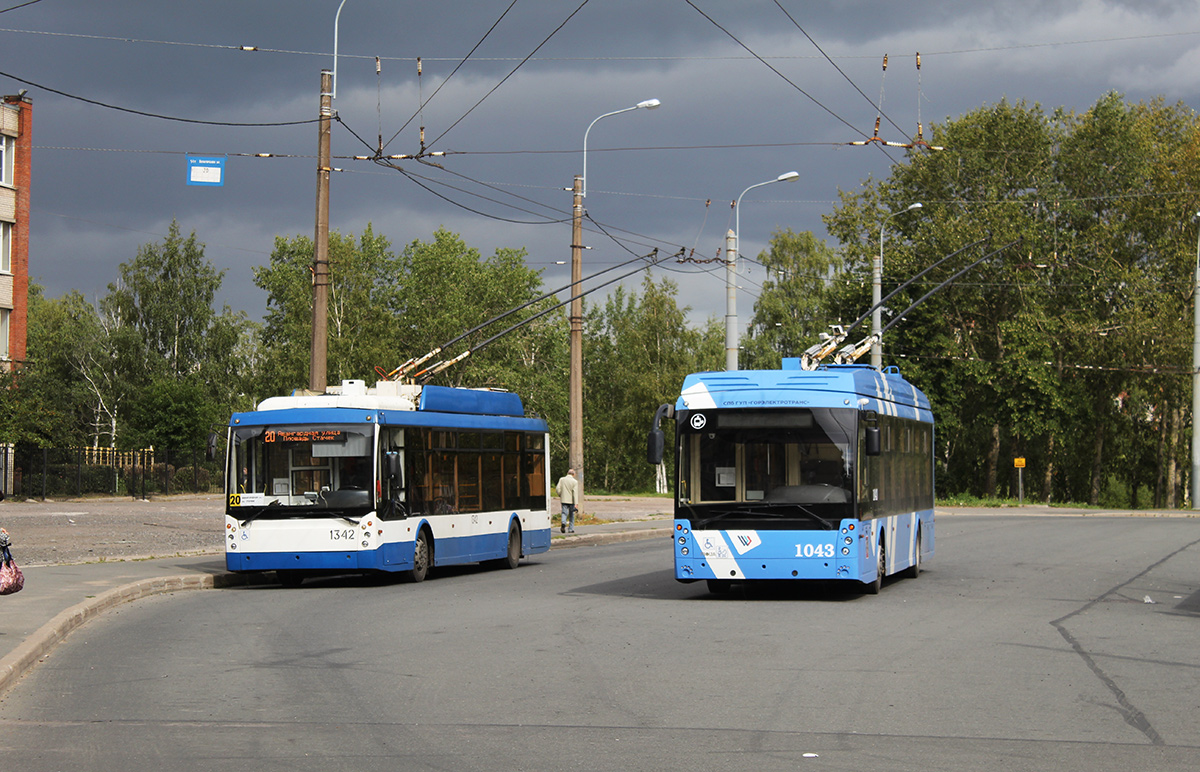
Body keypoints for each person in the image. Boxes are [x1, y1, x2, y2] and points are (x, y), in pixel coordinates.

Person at [556, 468, 579, 534]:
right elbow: (575, 493)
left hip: (564, 499)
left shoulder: (562, 479)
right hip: (571, 501)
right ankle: (571, 529)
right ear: (573, 474)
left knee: (564, 513)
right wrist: (576, 503)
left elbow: (557, 488)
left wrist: (561, 494)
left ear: (567, 473)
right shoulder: (574, 482)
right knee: (571, 515)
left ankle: (563, 523)